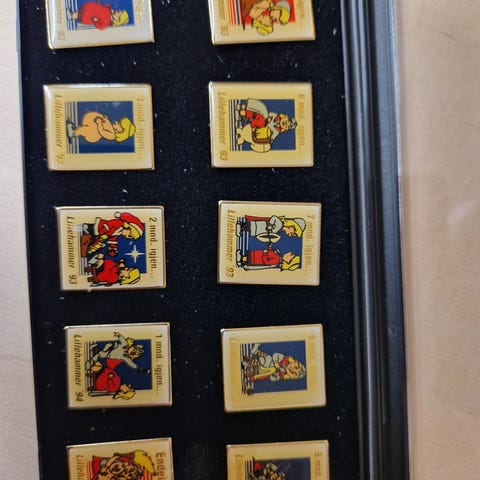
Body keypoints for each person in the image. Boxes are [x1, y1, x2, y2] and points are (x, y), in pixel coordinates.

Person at [67, 112, 135, 144]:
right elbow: (107, 125)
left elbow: (102, 132)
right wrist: (105, 119)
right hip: (94, 126)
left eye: (119, 124)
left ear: (121, 131)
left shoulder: (112, 136)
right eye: (119, 121)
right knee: (84, 127)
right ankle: (76, 129)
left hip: (94, 134)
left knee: (85, 130)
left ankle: (73, 133)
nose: (116, 122)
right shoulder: (112, 127)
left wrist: (99, 123)